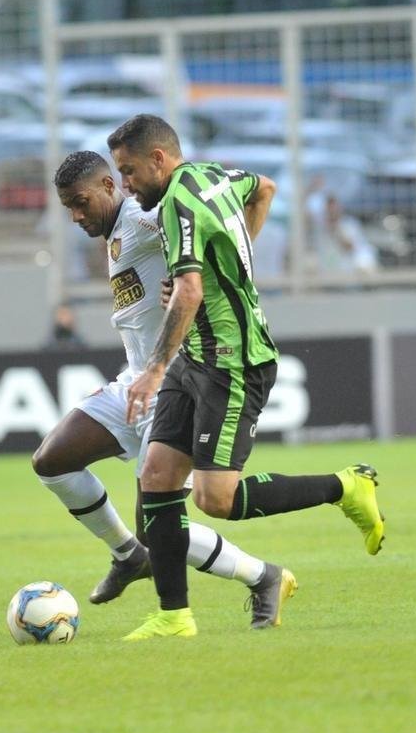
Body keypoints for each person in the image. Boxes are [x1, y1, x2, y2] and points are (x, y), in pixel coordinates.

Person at [107, 114, 385, 641]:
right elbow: (266, 188)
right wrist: (234, 265)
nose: (126, 184)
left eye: (130, 171)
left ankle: (345, 487)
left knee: (215, 499)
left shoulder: (177, 207)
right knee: (157, 478)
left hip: (231, 363)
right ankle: (174, 616)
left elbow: (188, 292)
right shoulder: (214, 176)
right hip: (196, 355)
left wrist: (153, 370)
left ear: (159, 160)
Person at [31, 150, 297, 629]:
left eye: (81, 202)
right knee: (51, 460)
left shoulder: (145, 217)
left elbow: (240, 208)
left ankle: (264, 576)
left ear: (110, 187)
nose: (75, 215)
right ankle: (128, 556)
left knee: (159, 525)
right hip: (135, 379)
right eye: (68, 206)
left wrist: (220, 277)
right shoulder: (114, 231)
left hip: (177, 379)